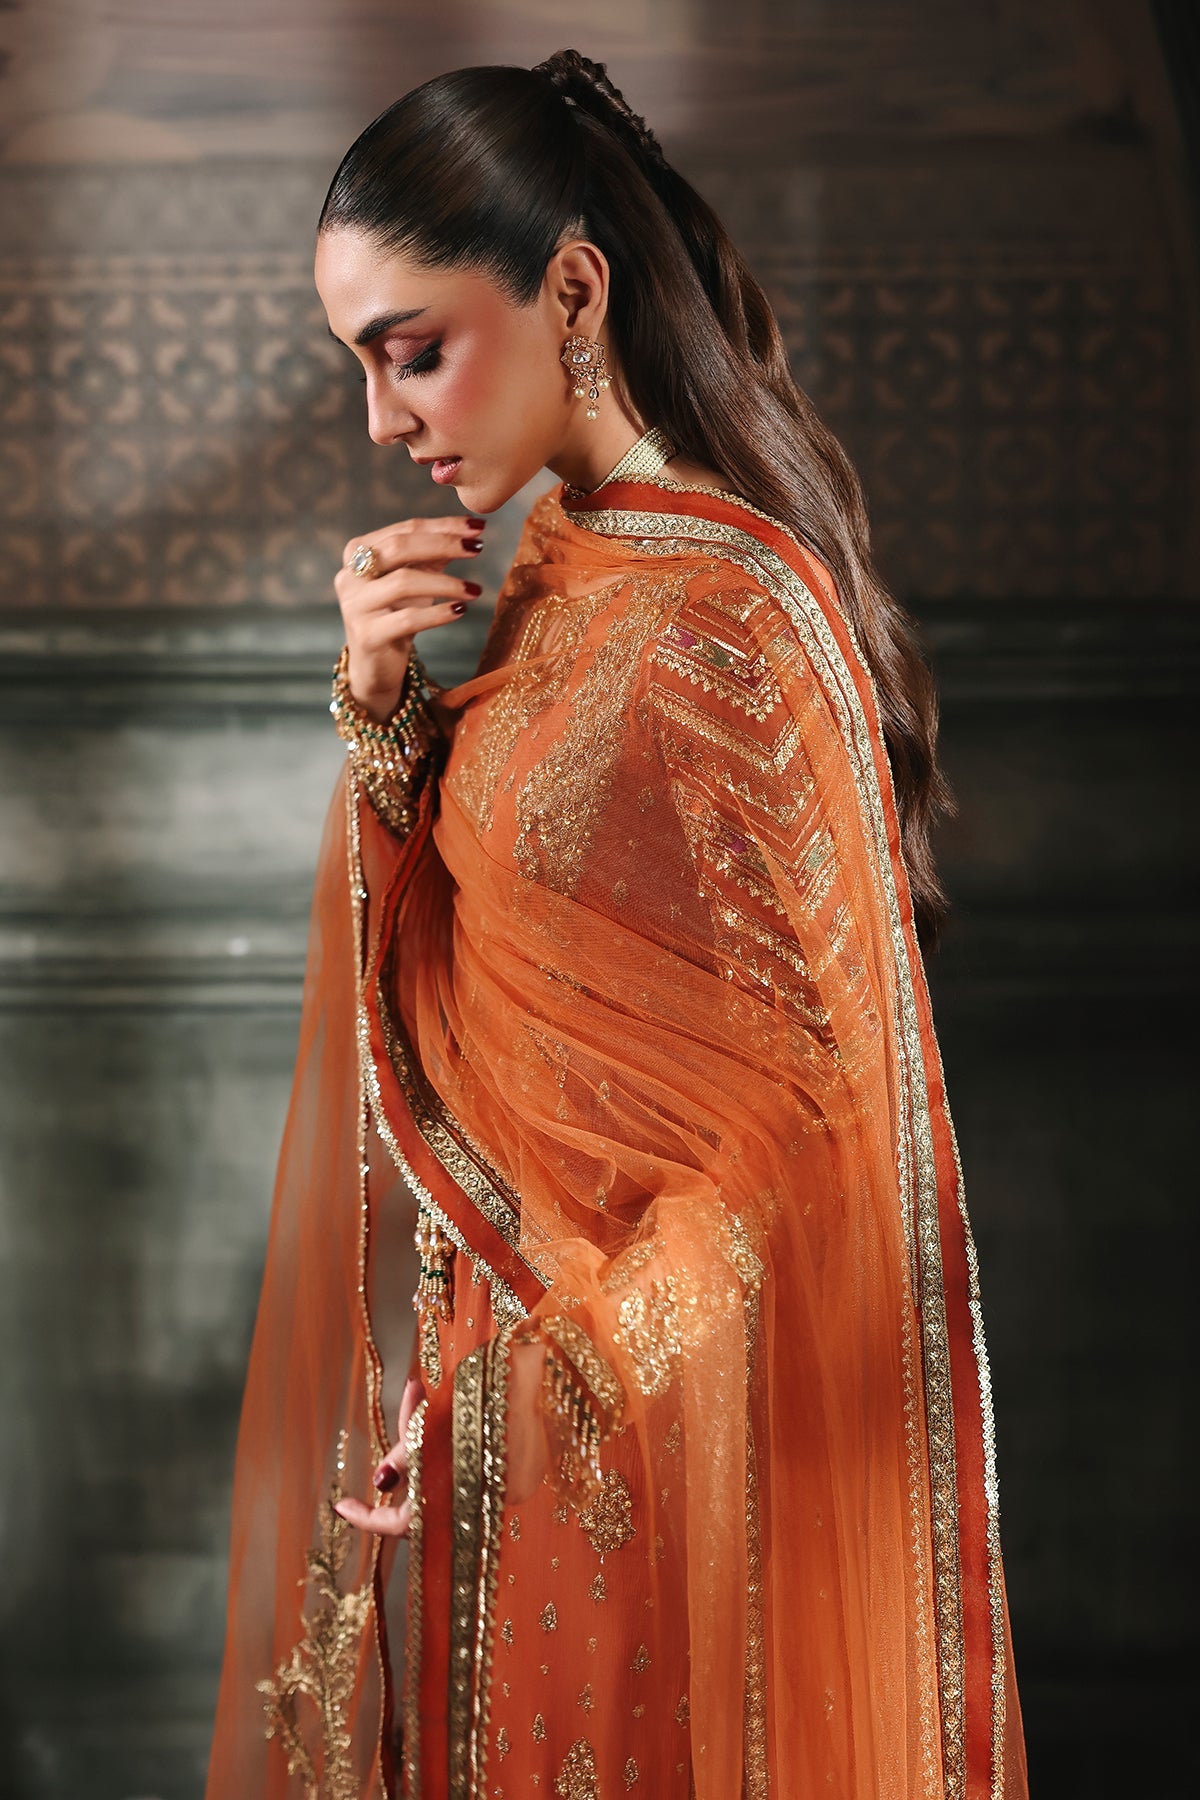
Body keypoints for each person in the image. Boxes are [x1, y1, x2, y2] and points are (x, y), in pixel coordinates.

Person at [205, 49, 1028, 1800]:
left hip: (641, 1430)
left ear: (572, 291)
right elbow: (503, 978)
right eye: (359, 362)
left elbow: (809, 1136)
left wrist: (553, 1360)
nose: (382, 420)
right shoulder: (568, 560)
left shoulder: (732, 617)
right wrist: (380, 707)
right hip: (531, 1414)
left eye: (409, 350)